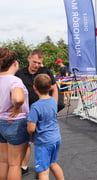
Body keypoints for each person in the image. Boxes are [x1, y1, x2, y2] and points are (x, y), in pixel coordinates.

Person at [15, 49, 58, 177]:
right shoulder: (19, 74)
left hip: (44, 113)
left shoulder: (46, 72)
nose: (37, 65)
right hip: (26, 113)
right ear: (29, 58)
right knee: (25, 142)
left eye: (39, 63)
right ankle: (24, 166)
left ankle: (43, 169)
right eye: (34, 62)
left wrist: (53, 106)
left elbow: (54, 88)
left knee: (45, 143)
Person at [0, 47, 30, 180]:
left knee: (3, 161)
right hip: (14, 123)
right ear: (15, 63)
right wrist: (17, 107)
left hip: (0, 122)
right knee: (14, 164)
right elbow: (18, 98)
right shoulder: (15, 81)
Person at [27, 74, 64, 180]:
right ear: (49, 87)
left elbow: (31, 128)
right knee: (53, 164)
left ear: (34, 87)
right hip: (55, 138)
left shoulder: (35, 107)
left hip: (43, 142)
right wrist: (54, 87)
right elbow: (55, 92)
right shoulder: (53, 101)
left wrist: (30, 133)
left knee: (43, 172)